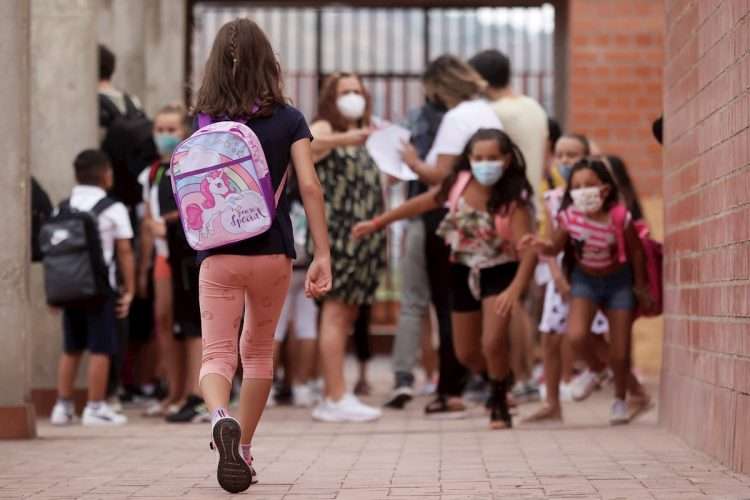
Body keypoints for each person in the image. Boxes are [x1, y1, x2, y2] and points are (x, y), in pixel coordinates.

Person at [191, 18, 331, 493]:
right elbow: (309, 186)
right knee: (257, 354)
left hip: (219, 254)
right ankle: (244, 450)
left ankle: (219, 417)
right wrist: (323, 253)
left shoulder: (205, 120)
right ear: (268, 63)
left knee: (216, 354)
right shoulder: (290, 118)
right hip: (272, 251)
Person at [355, 128, 537, 429]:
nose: (485, 164)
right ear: (469, 159)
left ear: (506, 160)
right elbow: (422, 203)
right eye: (479, 158)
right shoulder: (459, 183)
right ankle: (499, 378)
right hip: (462, 269)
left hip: (499, 271)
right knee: (465, 352)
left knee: (493, 341)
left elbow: (528, 250)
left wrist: (515, 289)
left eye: (492, 158)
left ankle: (499, 401)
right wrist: (378, 223)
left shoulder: (513, 199)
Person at [398, 55, 504, 417]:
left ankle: (450, 388)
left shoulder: (457, 117)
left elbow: (439, 178)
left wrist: (412, 161)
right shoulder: (487, 112)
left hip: (449, 220)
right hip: (485, 218)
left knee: (447, 304)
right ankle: (493, 385)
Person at [520, 158, 652, 425]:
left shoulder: (619, 217)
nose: (582, 191)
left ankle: (619, 400)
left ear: (604, 189)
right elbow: (554, 248)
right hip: (585, 281)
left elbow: (636, 252)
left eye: (588, 185)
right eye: (576, 186)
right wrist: (538, 245)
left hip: (618, 283)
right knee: (577, 335)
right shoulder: (568, 218)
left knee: (620, 349)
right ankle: (597, 370)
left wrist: (640, 286)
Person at [308, 73, 386, 423]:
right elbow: (308, 146)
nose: (353, 97)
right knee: (336, 313)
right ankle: (335, 395)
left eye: (357, 91)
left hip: (365, 240)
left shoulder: (369, 134)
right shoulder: (327, 128)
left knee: (349, 314)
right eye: (345, 92)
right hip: (340, 237)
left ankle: (336, 391)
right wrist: (346, 139)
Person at [524, 134, 609, 422]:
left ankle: (627, 389)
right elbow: (549, 241)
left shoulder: (599, 197)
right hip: (560, 270)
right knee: (550, 336)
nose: (564, 161)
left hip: (592, 271)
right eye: (559, 155)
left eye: (572, 155)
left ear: (587, 158)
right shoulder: (553, 198)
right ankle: (552, 404)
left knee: (595, 338)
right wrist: (557, 277)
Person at [50, 150, 135, 426]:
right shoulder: (113, 208)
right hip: (100, 290)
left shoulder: (62, 207)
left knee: (71, 348)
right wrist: (130, 289)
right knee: (101, 348)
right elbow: (124, 252)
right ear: (106, 174)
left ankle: (62, 407)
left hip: (70, 289)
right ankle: (95, 406)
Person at [383, 99, 445, 410]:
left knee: (413, 303)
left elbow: (394, 172)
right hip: (452, 218)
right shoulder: (466, 118)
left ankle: (404, 377)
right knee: (450, 304)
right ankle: (448, 378)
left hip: (420, 217)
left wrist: (412, 163)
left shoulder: (414, 118)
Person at [137, 103, 188, 418]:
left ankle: (188, 393)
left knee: (187, 325)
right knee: (164, 322)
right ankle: (172, 389)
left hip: (183, 254)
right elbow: (146, 219)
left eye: (172, 130)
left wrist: (167, 223)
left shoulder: (190, 166)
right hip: (161, 257)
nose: (165, 136)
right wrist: (144, 265)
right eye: (160, 130)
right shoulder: (151, 173)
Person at [271, 176, 320, 408]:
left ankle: (267, 390)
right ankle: (302, 388)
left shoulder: (275, 188)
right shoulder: (311, 189)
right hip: (308, 264)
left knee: (275, 330)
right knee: (307, 327)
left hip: (283, 264)